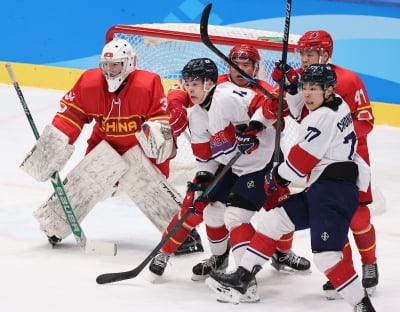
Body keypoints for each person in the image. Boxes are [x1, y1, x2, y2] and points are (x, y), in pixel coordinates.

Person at [206, 64, 376, 311]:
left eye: (313, 89)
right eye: (305, 88)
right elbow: (300, 113)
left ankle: (362, 305)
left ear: (328, 90)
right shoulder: (338, 102)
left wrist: (273, 178)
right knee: (274, 221)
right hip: (325, 188)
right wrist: (291, 85)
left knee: (326, 257)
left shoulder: (322, 119)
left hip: (333, 193)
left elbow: (299, 164)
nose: (307, 94)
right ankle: (242, 278)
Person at [19, 37, 202, 255]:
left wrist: (159, 157)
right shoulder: (89, 82)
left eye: (115, 64)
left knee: (150, 187)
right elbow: (72, 115)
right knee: (84, 182)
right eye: (105, 64)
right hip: (103, 145)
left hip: (138, 151)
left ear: (130, 64)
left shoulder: (147, 84)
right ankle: (55, 225)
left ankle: (183, 235)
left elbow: (159, 121)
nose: (110, 70)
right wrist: (54, 145)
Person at [149, 45, 310, 282]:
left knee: (277, 210)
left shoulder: (245, 94)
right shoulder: (212, 89)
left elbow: (273, 112)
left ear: (256, 68)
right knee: (199, 206)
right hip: (228, 164)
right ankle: (195, 256)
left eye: (246, 65)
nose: (240, 69)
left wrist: (257, 125)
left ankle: (275, 258)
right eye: (236, 64)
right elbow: (204, 153)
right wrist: (176, 104)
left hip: (263, 161)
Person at [271, 30, 378, 298]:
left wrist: (337, 135)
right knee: (331, 215)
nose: (304, 59)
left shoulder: (349, 80)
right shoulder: (302, 79)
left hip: (350, 157)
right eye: (302, 54)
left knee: (358, 215)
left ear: (326, 54)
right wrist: (287, 87)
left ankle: (370, 264)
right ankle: (344, 271)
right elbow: (296, 115)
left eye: (310, 53)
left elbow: (366, 121)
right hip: (318, 161)